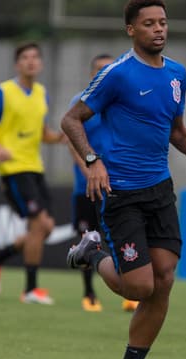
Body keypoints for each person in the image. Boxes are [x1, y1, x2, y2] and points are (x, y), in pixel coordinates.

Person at [62, 0, 186, 359]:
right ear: (131, 30)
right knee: (140, 286)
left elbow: (176, 132)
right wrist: (92, 161)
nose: (159, 29)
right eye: (149, 23)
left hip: (159, 190)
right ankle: (92, 251)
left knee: (163, 279)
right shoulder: (116, 75)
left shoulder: (177, 74)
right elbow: (71, 119)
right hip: (120, 193)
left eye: (162, 22)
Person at [0, 41, 64, 305]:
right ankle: (30, 290)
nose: (31, 61)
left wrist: (63, 137)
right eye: (25, 57)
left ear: (41, 63)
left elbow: (42, 133)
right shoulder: (3, 92)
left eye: (35, 57)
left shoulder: (42, 93)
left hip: (35, 168)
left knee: (46, 228)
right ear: (17, 64)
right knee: (38, 225)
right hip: (13, 168)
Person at [66, 53, 140, 313]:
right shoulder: (82, 102)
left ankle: (130, 292)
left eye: (109, 69)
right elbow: (71, 140)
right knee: (89, 237)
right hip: (86, 185)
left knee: (122, 237)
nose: (104, 73)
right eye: (100, 69)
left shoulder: (122, 103)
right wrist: (88, 169)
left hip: (118, 184)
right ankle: (89, 293)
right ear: (91, 74)